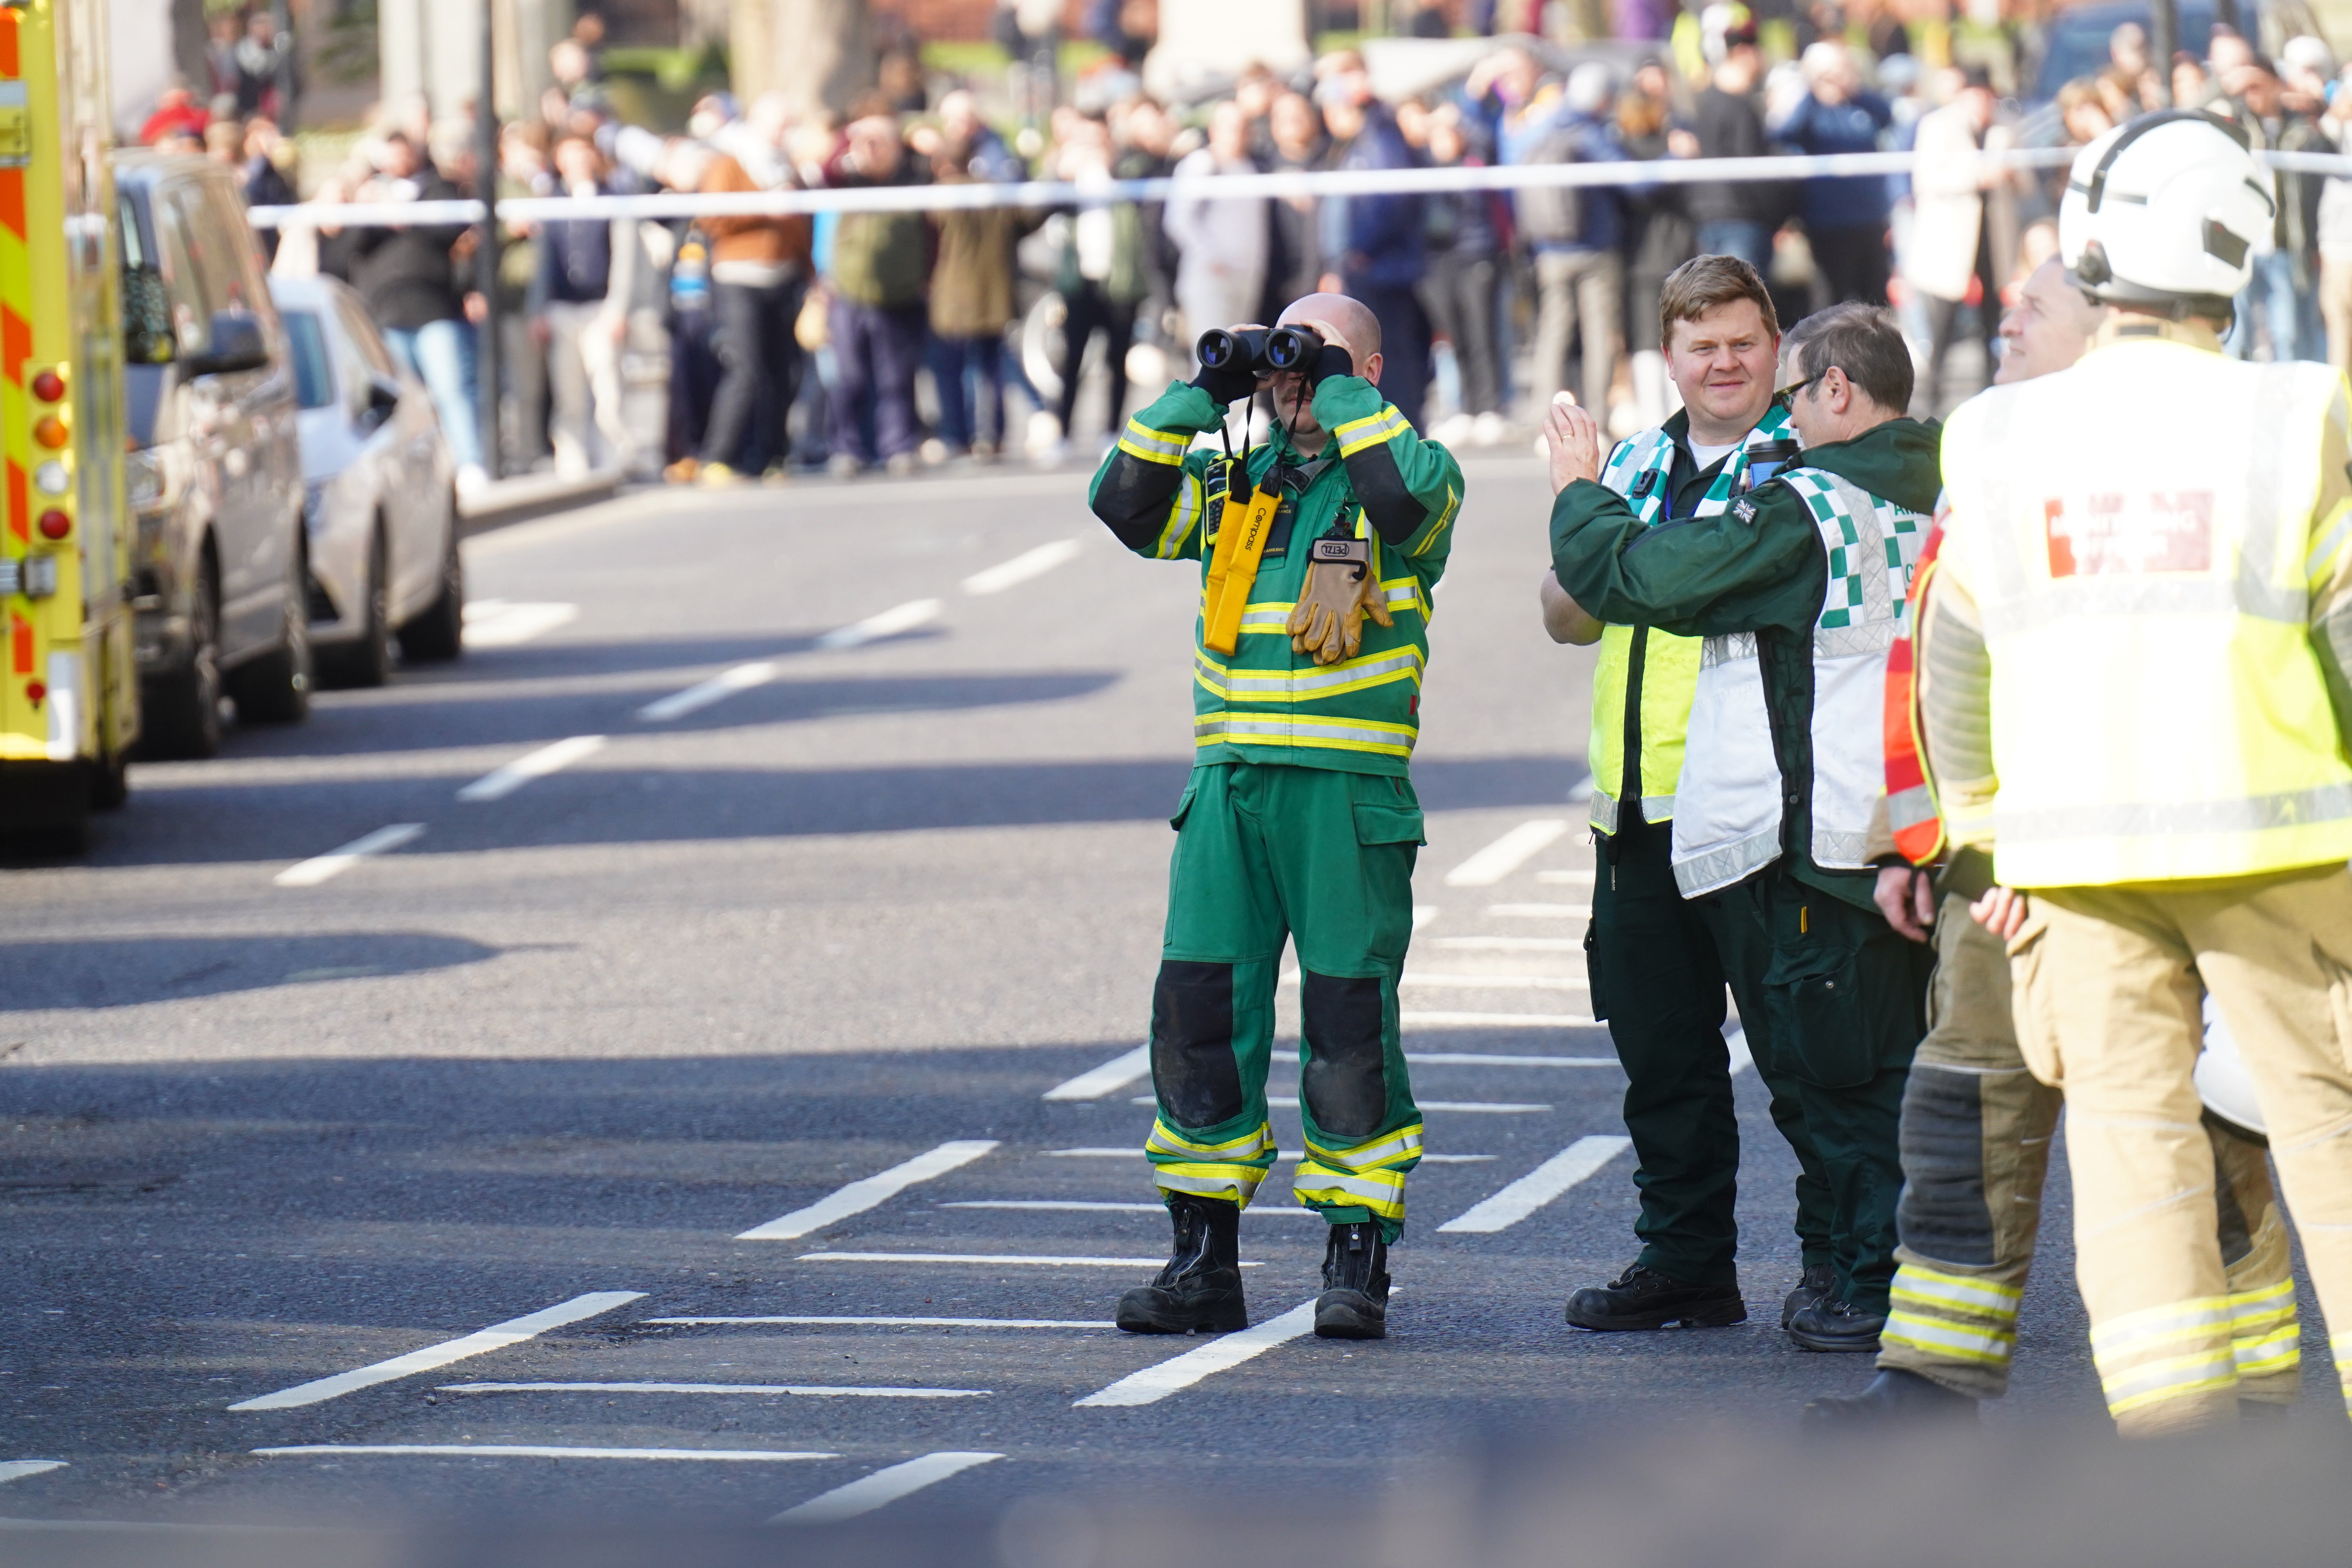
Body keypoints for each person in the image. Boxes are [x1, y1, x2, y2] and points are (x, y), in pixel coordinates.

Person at [1802, 254, 2302, 1425]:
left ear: (2116, 328)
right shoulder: (2004, 456)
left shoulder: (2186, 471)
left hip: (2130, 866)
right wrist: (1914, 840)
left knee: (2195, 1134)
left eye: (2038, 305)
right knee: (1963, 1115)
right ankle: (1929, 1374)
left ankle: (2247, 1402)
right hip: (2003, 864)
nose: (2005, 317)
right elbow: (1936, 660)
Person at [1921, 111, 2352, 1436]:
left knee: (2131, 1152)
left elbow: (1956, 666)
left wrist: (1982, 839)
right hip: (2278, 846)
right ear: (2236, 249)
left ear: (2096, 244)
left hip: (2074, 864)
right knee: (2329, 1136)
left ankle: (2181, 1471)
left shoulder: (1993, 437)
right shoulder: (2298, 413)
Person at [1549, 294, 1940, 1353]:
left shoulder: (1812, 505)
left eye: (1792, 383)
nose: (1786, 409)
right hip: (1901, 825)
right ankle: (1854, 1275)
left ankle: (1869, 1283)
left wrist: (1579, 499)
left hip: (1822, 838)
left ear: (1834, 389)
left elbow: (1642, 577)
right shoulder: (1945, 482)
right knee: (1867, 1071)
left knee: (1841, 1085)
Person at [1087, 292, 1465, 1341]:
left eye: (1319, 359)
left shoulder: (1412, 473)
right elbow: (1121, 503)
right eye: (1284, 359)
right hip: (1228, 788)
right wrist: (1209, 389)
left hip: (1346, 797)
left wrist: (1335, 382)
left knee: (1348, 1027)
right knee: (1201, 1019)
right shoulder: (1230, 482)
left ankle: (1357, 1256)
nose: (1292, 379)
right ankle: (1202, 1257)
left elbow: (1395, 505)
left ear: (1370, 374)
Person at [1540, 256, 1828, 1338]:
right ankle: (1688, 1266)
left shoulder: (1795, 461)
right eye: (1701, 346)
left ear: (1775, 347)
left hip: (1750, 810)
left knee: (1806, 1063)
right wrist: (1586, 515)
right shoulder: (1638, 459)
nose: (1723, 364)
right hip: (1635, 813)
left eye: (1743, 343)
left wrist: (1605, 527)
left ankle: (1840, 1263)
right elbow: (1566, 615)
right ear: (1671, 356)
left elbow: (1661, 580)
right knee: (1664, 1065)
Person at [336, 132, 486, 493]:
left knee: (452, 389)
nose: (397, 164)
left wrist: (405, 214)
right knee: (402, 404)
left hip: (435, 310)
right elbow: (346, 251)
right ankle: (412, 476)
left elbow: (452, 230)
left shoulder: (438, 189)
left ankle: (470, 463)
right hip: (385, 315)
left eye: (403, 155)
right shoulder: (369, 196)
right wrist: (364, 211)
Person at [1510, 62, 1630, 426]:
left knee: (1553, 333)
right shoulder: (1588, 132)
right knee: (1599, 334)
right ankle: (1598, 416)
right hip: (1593, 249)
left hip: (1549, 249)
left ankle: (1544, 415)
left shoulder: (1540, 128)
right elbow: (1634, 179)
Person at [1317, 59, 1433, 431]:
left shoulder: (1378, 137)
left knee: (1391, 359)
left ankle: (1403, 435)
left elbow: (1388, 200)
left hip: (1384, 271)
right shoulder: (1363, 143)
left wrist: (1360, 250)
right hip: (1375, 269)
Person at [692, 143, 811, 484]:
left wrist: (811, 272)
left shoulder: (787, 167)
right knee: (746, 369)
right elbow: (712, 219)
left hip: (786, 277)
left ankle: (774, 456)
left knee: (782, 372)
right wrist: (764, 208)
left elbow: (800, 227)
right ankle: (718, 457)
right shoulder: (729, 166)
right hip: (739, 278)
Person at [826, 107, 931, 478]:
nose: (872, 150)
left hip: (898, 294)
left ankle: (898, 446)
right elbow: (824, 167)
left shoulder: (914, 178)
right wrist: (851, 140)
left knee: (896, 379)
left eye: (880, 142)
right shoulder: (847, 179)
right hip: (850, 294)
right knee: (849, 378)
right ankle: (848, 447)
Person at [529, 132, 639, 479]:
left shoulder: (612, 198)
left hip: (600, 307)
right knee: (569, 391)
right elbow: (543, 261)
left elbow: (625, 258)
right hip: (562, 308)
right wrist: (539, 309)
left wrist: (618, 307)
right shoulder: (552, 201)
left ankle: (614, 457)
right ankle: (572, 459)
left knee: (607, 384)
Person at [1907, 68, 2011, 410]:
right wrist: (1979, 176)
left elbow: (2018, 180)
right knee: (1943, 320)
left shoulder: (2001, 129)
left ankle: (1991, 380)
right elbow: (1928, 178)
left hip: (1991, 236)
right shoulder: (1938, 125)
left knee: (1992, 316)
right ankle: (1932, 388)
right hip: (1952, 238)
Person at [1775, 43, 1894, 305]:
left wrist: (1855, 89)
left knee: (1876, 301)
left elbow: (1887, 116)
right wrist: (1814, 90)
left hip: (1870, 219)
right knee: (1831, 300)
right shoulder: (1811, 110)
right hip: (1829, 223)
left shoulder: (1860, 105)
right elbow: (1785, 133)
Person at [1164, 102, 1269, 354]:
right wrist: (1211, 256)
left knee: (1241, 359)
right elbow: (1178, 218)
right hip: (1211, 278)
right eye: (1231, 127)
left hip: (1246, 278)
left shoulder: (1249, 167)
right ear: (1214, 130)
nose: (1238, 134)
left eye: (1243, 127)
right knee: (1211, 359)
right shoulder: (1202, 163)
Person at [1686, 21, 1783, 271]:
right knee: (1743, 298)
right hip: (1743, 217)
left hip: (1708, 216)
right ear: (1743, 53)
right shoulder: (1742, 108)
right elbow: (1753, 166)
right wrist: (1778, 216)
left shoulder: (1703, 102)